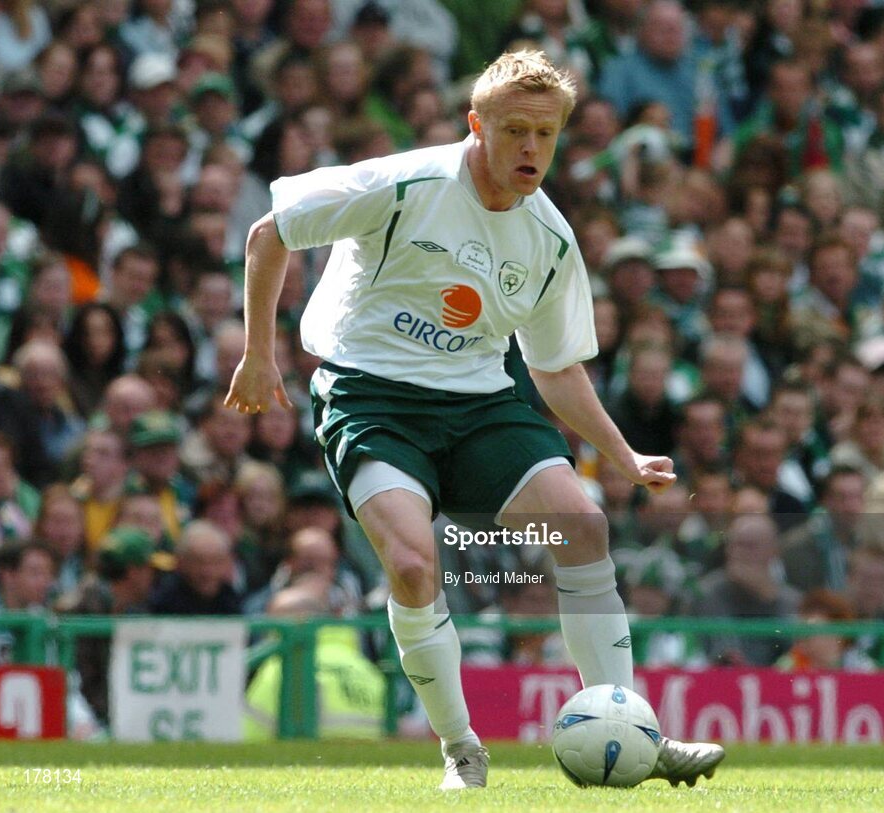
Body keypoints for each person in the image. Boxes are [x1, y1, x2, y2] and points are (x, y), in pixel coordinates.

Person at [224, 50, 724, 789]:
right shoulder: (404, 185)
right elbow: (270, 233)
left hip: (481, 403)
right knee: (416, 563)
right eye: (515, 130)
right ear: (476, 125)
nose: (530, 149)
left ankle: (634, 732)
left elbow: (552, 368)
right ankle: (462, 748)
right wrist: (258, 355)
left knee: (583, 526)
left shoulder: (549, 238)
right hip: (372, 396)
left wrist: (620, 454)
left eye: (545, 134)